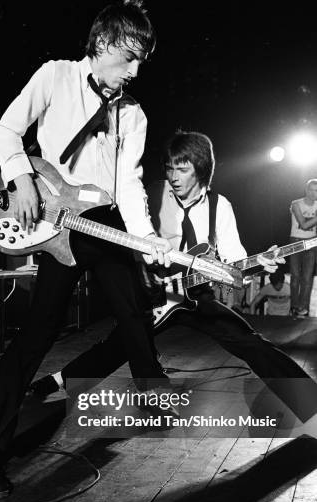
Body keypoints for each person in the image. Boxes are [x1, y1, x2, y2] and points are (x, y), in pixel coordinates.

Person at [0, 0, 180, 500]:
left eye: (142, 61)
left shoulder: (132, 113)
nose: (135, 71)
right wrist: (22, 179)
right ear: (102, 45)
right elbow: (7, 130)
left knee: (135, 308)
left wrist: (148, 238)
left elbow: (129, 184)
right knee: (36, 334)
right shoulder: (55, 76)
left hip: (104, 223)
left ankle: (151, 392)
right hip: (57, 221)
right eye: (129, 58)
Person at [33, 130, 317, 436]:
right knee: (118, 347)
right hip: (150, 290)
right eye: (170, 168)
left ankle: (311, 408)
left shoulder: (219, 206)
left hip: (196, 293)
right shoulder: (150, 195)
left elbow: (234, 260)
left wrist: (258, 262)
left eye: (183, 169)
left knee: (251, 343)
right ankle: (59, 381)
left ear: (202, 168)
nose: (174, 176)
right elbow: (129, 241)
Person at [289, 179, 317, 316]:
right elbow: (304, 225)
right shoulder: (296, 204)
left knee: (307, 278)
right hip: (296, 242)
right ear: (306, 190)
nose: (313, 193)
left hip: (312, 243)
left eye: (316, 190)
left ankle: (303, 309)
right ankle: (294, 306)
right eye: (311, 190)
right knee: (295, 276)